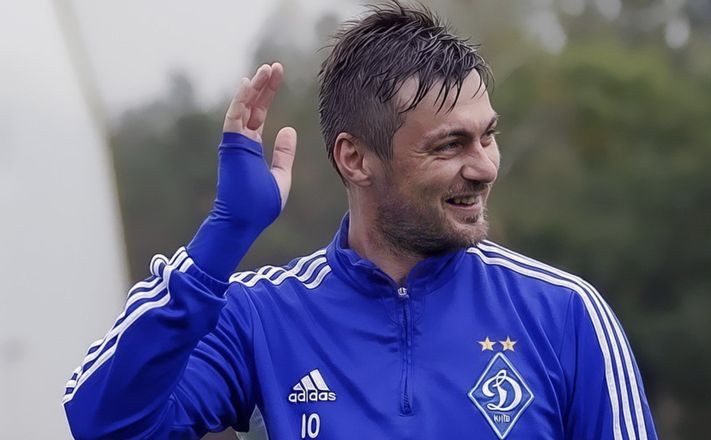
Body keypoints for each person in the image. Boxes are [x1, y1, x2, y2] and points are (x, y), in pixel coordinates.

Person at [63, 2, 658, 439]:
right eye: (450, 145)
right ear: (355, 159)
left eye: (488, 136)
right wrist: (223, 235)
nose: (484, 168)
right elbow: (105, 423)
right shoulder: (261, 315)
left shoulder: (565, 312)